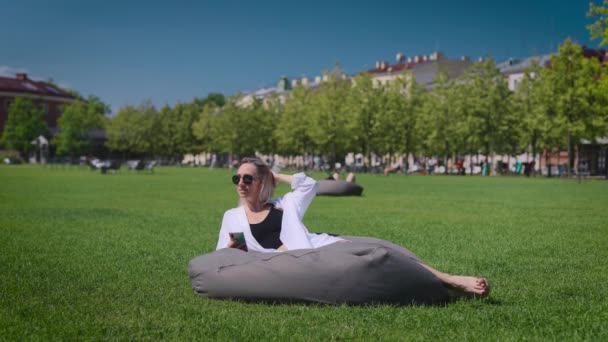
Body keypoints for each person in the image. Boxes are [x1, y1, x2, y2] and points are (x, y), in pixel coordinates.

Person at [216, 157, 490, 297]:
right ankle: (450, 284)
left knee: (382, 250)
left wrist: (276, 176)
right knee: (377, 258)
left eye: (248, 178)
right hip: (290, 263)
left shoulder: (283, 204)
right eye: (236, 178)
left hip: (319, 248)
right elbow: (218, 257)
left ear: (262, 182)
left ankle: (451, 279)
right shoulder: (232, 217)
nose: (241, 183)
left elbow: (310, 184)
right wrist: (231, 248)